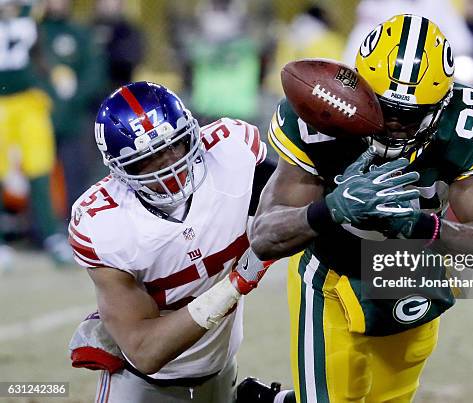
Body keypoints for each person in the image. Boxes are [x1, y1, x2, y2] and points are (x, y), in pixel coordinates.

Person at [250, 14, 473, 402]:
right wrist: (332, 208)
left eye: (409, 116)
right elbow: (264, 236)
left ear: (442, 104)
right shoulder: (316, 117)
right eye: (382, 106)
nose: (393, 124)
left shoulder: (467, 124)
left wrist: (422, 226)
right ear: (358, 88)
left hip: (408, 268)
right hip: (331, 265)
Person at [68, 81, 272, 402]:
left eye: (173, 145)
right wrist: (235, 284)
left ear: (191, 131)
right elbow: (145, 352)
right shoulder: (105, 223)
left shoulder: (231, 153)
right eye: (145, 161)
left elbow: (298, 202)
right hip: (142, 385)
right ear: (119, 168)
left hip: (220, 371)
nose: (168, 165)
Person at [0, 0, 72, 267]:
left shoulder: (32, 13)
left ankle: (51, 235)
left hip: (29, 99)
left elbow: (41, 51)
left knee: (40, 168)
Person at [40, 0, 103, 210]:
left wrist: (75, 96)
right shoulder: (35, 32)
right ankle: (42, 228)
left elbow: (94, 72)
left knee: (76, 173)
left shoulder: (80, 33)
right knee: (38, 175)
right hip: (40, 116)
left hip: (74, 118)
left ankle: (74, 221)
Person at [342, 0, 473, 65]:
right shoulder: (378, 4)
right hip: (383, 69)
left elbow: (462, 42)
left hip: (424, 71)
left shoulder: (437, 4)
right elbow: (361, 41)